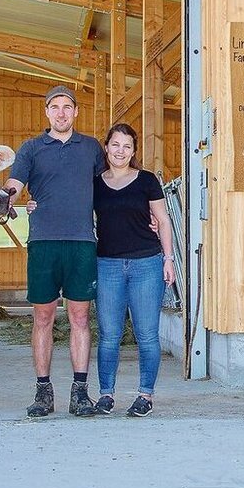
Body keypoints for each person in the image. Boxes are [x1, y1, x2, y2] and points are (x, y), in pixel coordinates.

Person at [5, 84, 106, 418]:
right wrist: (4, 198)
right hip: (44, 242)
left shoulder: (91, 148)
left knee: (79, 317)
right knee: (43, 317)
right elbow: (14, 185)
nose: (61, 113)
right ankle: (43, 391)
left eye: (67, 107)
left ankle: (80, 393)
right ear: (46, 112)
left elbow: (108, 189)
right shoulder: (32, 149)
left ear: (76, 112)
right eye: (55, 107)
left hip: (81, 243)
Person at [92, 122, 175, 418]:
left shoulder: (147, 180)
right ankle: (105, 394)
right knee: (109, 335)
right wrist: (37, 205)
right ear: (106, 147)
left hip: (146, 264)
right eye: (115, 144)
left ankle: (145, 395)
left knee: (147, 335)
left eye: (127, 146)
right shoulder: (95, 182)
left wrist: (169, 259)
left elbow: (162, 220)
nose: (120, 151)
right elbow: (73, 210)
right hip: (107, 265)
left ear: (134, 151)